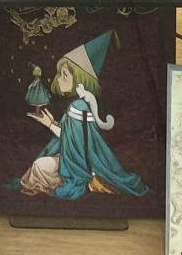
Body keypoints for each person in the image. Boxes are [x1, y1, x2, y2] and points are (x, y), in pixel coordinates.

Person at [12, 37, 149, 202]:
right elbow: (72, 136)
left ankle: (88, 184)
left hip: (77, 164)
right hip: (71, 158)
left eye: (64, 75)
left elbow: (74, 144)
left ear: (80, 80)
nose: (58, 79)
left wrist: (50, 125)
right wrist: (52, 123)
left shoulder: (79, 106)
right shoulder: (77, 104)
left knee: (38, 168)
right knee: (38, 168)